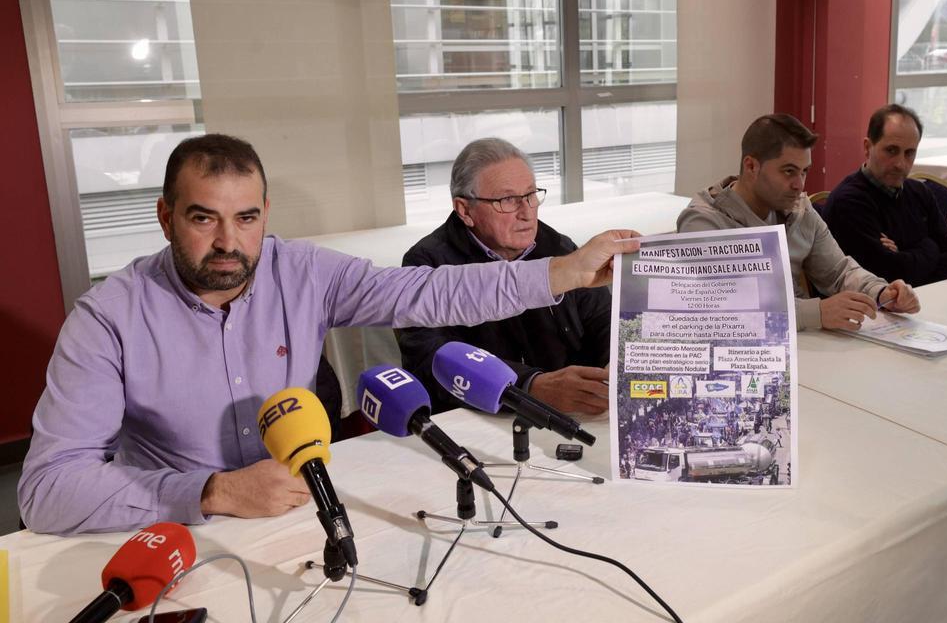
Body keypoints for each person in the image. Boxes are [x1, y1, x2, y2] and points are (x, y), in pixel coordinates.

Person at [18, 134, 636, 536]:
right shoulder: (107, 319)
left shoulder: (303, 270)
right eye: (204, 217)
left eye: (247, 218)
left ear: (266, 215)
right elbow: (47, 490)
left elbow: (427, 293)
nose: (229, 242)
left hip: (306, 517)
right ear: (165, 216)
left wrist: (560, 272)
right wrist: (212, 491)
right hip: (175, 530)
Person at [396, 138, 609, 415]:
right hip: (483, 420)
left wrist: (614, 365)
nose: (527, 213)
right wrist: (529, 386)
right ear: (465, 210)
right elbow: (430, 361)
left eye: (531, 195)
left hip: (572, 415)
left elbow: (605, 320)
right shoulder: (427, 263)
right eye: (508, 200)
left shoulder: (557, 246)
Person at [677, 113, 920, 332]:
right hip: (743, 356)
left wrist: (880, 293)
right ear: (751, 166)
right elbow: (723, 310)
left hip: (803, 347)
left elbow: (838, 272)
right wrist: (816, 313)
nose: (800, 184)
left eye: (804, 171)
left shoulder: (799, 209)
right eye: (789, 171)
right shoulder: (704, 222)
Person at [823, 104, 947, 287]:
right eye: (891, 150)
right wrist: (930, 247)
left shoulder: (919, 192)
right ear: (867, 148)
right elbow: (885, 276)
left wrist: (905, 254)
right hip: (872, 311)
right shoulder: (849, 202)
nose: (900, 164)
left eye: (909, 153)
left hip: (926, 300)